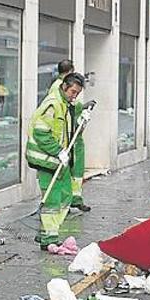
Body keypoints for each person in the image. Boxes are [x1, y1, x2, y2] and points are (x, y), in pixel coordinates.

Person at [26, 72, 89, 251]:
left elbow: (69, 132)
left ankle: (49, 232)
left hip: (59, 161)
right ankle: (48, 238)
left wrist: (81, 122)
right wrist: (58, 151)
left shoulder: (65, 104)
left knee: (66, 197)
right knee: (53, 200)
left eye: (77, 93)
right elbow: (40, 132)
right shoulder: (52, 105)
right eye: (73, 92)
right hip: (46, 160)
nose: (75, 95)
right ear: (64, 87)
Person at [48, 60, 90, 212]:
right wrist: (81, 108)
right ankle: (67, 202)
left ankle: (74, 199)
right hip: (65, 138)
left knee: (75, 172)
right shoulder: (58, 89)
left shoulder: (60, 86)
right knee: (69, 173)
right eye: (73, 93)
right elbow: (65, 109)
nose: (74, 96)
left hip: (70, 135)